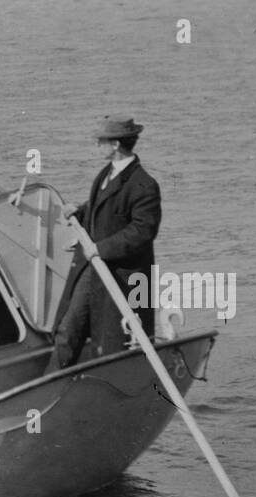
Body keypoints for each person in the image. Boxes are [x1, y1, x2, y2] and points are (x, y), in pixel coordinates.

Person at [50, 117, 161, 370]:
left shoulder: (144, 185)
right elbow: (102, 208)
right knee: (68, 328)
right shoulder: (106, 175)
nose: (97, 145)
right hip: (95, 270)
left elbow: (143, 231)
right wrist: (79, 211)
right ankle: (50, 386)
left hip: (124, 277)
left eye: (101, 141)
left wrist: (101, 248)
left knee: (114, 341)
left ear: (116, 145)